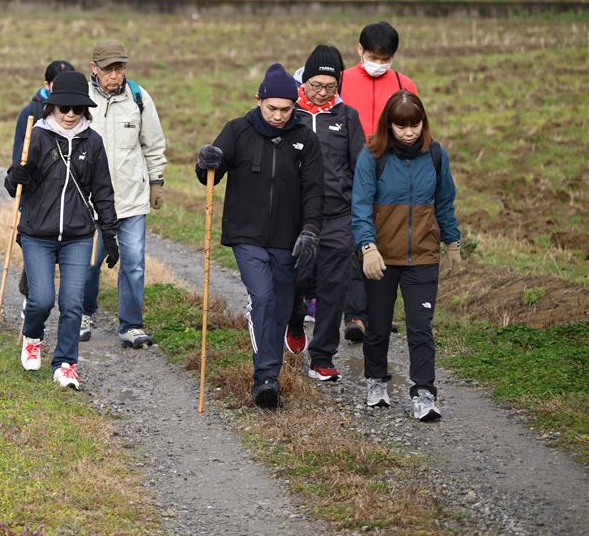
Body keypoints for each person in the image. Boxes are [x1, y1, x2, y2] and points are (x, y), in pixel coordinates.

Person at [195, 63, 324, 409]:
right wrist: (206, 161)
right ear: (258, 101)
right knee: (263, 298)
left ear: (295, 105)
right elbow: (211, 172)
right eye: (272, 108)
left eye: (286, 109)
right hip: (246, 234)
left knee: (281, 305)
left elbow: (315, 190)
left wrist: (311, 231)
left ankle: (271, 371)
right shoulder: (237, 130)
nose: (279, 116)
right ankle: (266, 378)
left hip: (288, 238)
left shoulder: (306, 140)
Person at [1, 69, 118, 391]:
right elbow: (13, 186)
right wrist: (16, 177)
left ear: (85, 109)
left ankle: (66, 364)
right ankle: (32, 338)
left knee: (72, 302)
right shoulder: (37, 136)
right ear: (52, 106)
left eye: (77, 108)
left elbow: (103, 191)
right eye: (64, 107)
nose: (69, 114)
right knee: (41, 299)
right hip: (37, 233)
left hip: (78, 236)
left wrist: (110, 233)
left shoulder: (93, 142)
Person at [352, 90, 459, 422]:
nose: (409, 132)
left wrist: (453, 242)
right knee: (378, 325)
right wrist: (368, 247)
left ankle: (424, 392)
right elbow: (360, 206)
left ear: (423, 122)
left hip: (423, 256)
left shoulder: (436, 155)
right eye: (401, 126)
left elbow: (444, 202)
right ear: (389, 125)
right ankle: (376, 380)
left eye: (415, 125)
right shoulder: (372, 157)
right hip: (381, 258)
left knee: (420, 327)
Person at [81, 39, 166, 349]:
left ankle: (131, 325)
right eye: (108, 70)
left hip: (131, 199)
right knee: (88, 264)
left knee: (133, 264)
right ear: (94, 68)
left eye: (120, 69)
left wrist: (156, 182)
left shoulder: (139, 98)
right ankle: (83, 314)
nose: (115, 76)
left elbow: (153, 144)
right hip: (90, 203)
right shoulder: (82, 99)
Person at [291, 44, 367, 378]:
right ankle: (294, 317)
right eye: (316, 86)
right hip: (295, 216)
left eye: (330, 87)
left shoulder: (347, 117)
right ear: (304, 82)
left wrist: (359, 211)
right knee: (297, 279)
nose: (322, 93)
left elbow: (361, 166)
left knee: (333, 287)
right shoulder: (290, 113)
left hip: (337, 216)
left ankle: (322, 357)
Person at [15, 58, 75, 302]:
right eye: (56, 85)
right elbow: (19, 156)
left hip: (70, 193)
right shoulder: (31, 112)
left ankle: (74, 304)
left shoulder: (79, 111)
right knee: (37, 248)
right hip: (38, 194)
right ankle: (32, 296)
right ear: (47, 85)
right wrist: (21, 188)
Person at [341, 22, 419, 137]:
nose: (379, 64)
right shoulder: (340, 81)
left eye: (385, 59)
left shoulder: (405, 85)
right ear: (360, 49)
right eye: (373, 58)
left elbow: (415, 123)